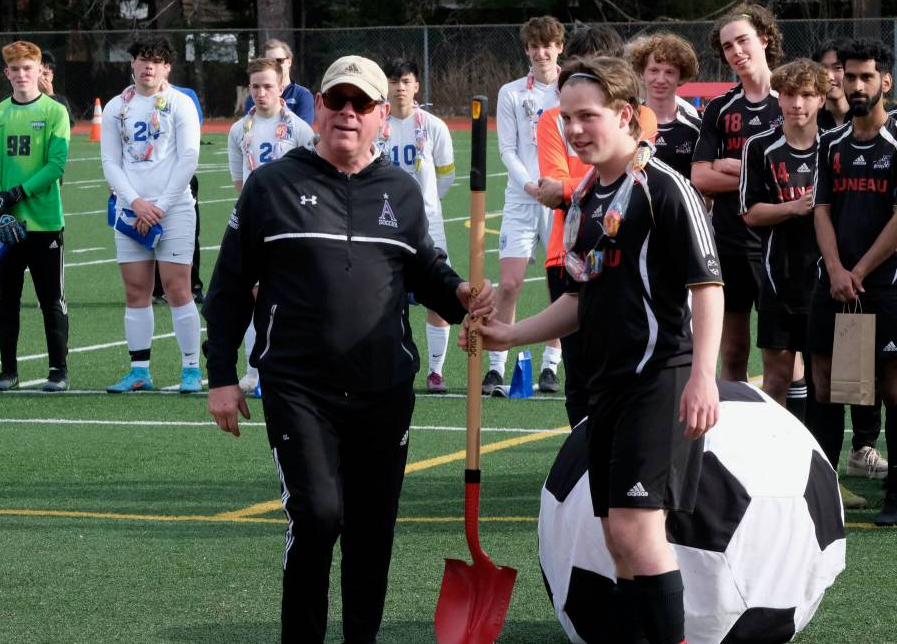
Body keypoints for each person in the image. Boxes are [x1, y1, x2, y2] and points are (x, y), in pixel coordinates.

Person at [204, 55, 493, 642]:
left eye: (362, 104)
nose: (348, 113)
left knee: (371, 531)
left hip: (384, 390)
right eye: (337, 100)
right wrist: (221, 376)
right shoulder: (272, 186)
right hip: (299, 387)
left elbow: (426, 272)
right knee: (317, 516)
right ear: (319, 107)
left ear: (382, 115)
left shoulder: (402, 191)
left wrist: (462, 295)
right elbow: (229, 286)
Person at [467, 56, 723, 643]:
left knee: (637, 532)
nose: (575, 129)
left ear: (625, 114)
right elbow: (580, 298)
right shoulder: (583, 198)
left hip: (659, 377)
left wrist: (703, 377)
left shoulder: (664, 188)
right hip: (605, 383)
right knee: (615, 537)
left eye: (588, 116)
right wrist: (508, 334)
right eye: (567, 118)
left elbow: (707, 286)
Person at [534, 26, 659, 427]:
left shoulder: (642, 116)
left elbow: (629, 174)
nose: (577, 127)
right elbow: (554, 185)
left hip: (628, 253)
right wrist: (568, 188)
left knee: (631, 365)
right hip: (568, 255)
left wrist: (568, 189)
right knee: (580, 375)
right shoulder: (551, 121)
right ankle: (585, 456)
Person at [808, 39, 897, 526]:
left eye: (867, 76)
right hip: (834, 282)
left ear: (886, 82)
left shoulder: (895, 142)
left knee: (891, 386)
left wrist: (859, 272)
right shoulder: (830, 143)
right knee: (824, 385)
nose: (857, 85)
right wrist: (837, 270)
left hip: (884, 286)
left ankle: (895, 491)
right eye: (850, 76)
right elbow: (821, 210)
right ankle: (823, 491)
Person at [101, 36, 203, 394]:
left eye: (156, 61)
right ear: (132, 63)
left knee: (178, 289)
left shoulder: (180, 103)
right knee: (136, 291)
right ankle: (139, 370)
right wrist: (135, 203)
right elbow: (111, 161)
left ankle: (191, 368)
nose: (149, 66)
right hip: (132, 210)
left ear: (167, 67)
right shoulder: (116, 107)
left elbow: (189, 158)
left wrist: (160, 205)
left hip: (173, 209)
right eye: (143, 59)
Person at [692, 3, 784, 383]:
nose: (736, 51)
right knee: (731, 353)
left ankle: (791, 422)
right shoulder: (719, 108)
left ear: (764, 39)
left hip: (782, 245)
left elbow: (801, 177)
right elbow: (700, 177)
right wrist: (760, 175)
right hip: (730, 243)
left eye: (743, 40)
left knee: (783, 357)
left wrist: (734, 166)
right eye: (728, 46)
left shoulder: (792, 101)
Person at [0, 40, 71, 392]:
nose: (21, 75)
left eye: (28, 69)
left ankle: (58, 371)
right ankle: (8, 371)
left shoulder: (54, 112)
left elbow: (55, 165)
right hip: (4, 223)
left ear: (39, 71)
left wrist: (16, 194)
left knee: (51, 299)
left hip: (44, 221)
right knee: (7, 299)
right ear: (6, 73)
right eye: (15, 69)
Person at [486, 15, 565, 397]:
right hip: (522, 197)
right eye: (534, 46)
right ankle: (496, 365)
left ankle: (551, 365)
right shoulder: (512, 92)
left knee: (559, 286)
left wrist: (556, 187)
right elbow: (507, 149)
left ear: (559, 47)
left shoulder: (572, 88)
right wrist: (530, 185)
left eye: (547, 45)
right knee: (508, 285)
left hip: (560, 196)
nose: (540, 53)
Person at [739, 59, 824, 411]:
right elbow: (750, 213)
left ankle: (820, 445)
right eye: (788, 95)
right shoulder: (759, 146)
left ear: (821, 98)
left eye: (807, 95)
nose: (797, 104)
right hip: (778, 278)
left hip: (826, 280)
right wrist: (794, 207)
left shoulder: (834, 146)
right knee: (776, 379)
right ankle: (777, 445)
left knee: (825, 380)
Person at [227, 57, 315, 394]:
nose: (261, 93)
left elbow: (311, 178)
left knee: (289, 297)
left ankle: (290, 368)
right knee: (255, 297)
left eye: (267, 86)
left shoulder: (299, 129)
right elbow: (239, 181)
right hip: (255, 225)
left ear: (281, 88)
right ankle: (254, 370)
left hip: (290, 223)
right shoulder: (239, 130)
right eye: (255, 87)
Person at [381, 58, 456, 393]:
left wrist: (423, 206)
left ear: (416, 86)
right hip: (382, 224)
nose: (400, 88)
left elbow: (445, 177)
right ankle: (388, 366)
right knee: (383, 298)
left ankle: (436, 371)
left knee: (436, 296)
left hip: (428, 225)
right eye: (394, 81)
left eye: (406, 81)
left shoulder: (433, 126)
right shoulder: (376, 123)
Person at [153, 83, 205, 304]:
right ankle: (157, 289)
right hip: (149, 178)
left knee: (188, 232)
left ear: (166, 67)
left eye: (159, 65)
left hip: (181, 177)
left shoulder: (185, 96)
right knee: (151, 232)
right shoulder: (132, 99)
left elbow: (194, 128)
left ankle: (193, 286)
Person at [629, 32, 702, 179]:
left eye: (669, 72)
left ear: (680, 77)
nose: (661, 80)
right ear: (642, 73)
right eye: (654, 70)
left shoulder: (696, 128)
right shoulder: (627, 122)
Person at [243, 39, 314, 125]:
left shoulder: (302, 95)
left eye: (279, 60)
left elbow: (303, 129)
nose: (275, 65)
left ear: (289, 62)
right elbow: (246, 127)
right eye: (270, 62)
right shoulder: (256, 96)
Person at [814, 39, 852, 130]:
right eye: (823, 68)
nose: (830, 76)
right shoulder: (810, 119)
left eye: (838, 68)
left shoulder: (863, 118)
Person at [39, 50, 75, 127]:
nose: (41, 78)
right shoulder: (24, 98)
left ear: (51, 77)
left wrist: (50, 96)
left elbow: (69, 123)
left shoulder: (61, 100)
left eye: (45, 74)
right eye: (38, 73)